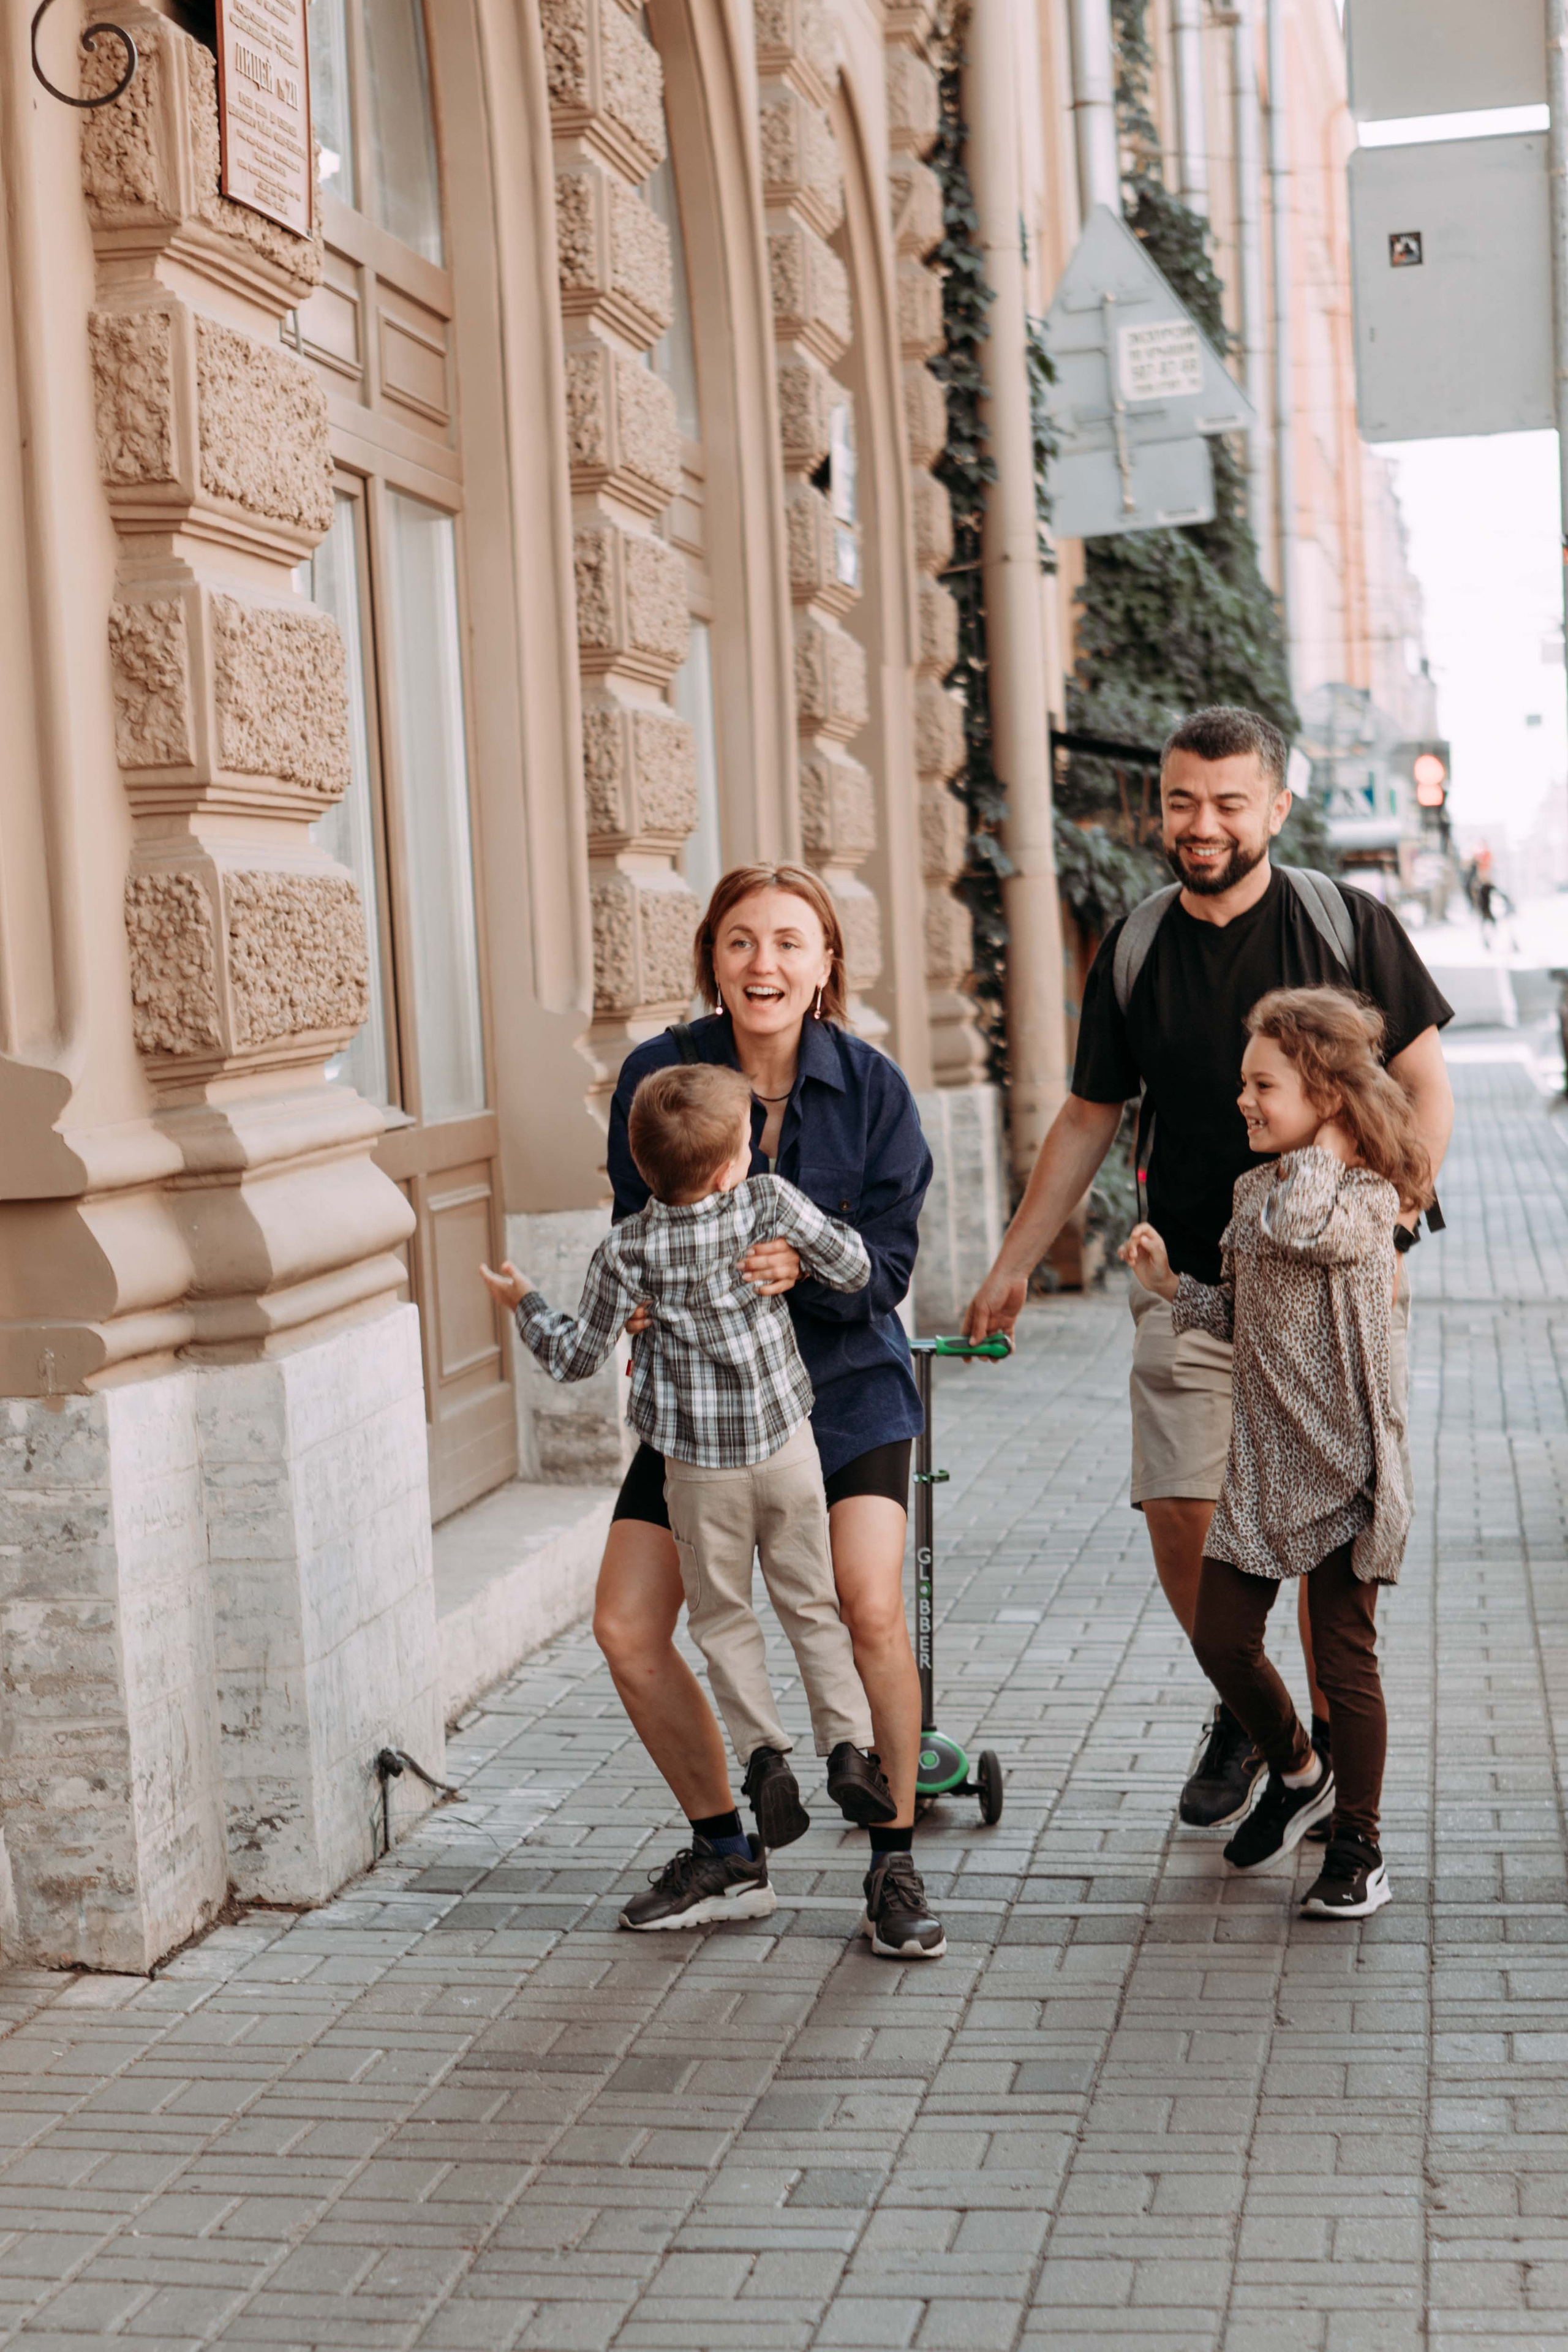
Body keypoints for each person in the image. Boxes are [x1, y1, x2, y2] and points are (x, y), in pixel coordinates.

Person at [963, 706, 1453, 1830]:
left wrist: (1394, 1221)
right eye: (1183, 800)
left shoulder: (1346, 925)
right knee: (1184, 1515)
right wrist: (1012, 1265)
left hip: (1335, 1292)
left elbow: (1426, 1081)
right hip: (1192, 1286)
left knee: (1331, 1544)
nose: (1202, 824)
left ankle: (1340, 1781)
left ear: (1276, 808)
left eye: (1231, 803)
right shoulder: (1136, 948)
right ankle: (1264, 1726)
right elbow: (1089, 1116)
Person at [590, 864, 946, 1960]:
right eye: (742, 941)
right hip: (703, 1407)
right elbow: (630, 1222)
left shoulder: (873, 1088)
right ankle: (728, 1850)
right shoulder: (658, 1074)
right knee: (626, 1625)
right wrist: (640, 1306)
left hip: (842, 1392)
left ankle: (891, 1863)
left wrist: (815, 1270)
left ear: (826, 965)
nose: (765, 964)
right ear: (714, 959)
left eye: (791, 942)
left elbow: (888, 1267)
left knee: (868, 1606)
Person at [482, 1060, 897, 1936]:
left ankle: (764, 1758)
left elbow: (574, 1356)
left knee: (721, 1620)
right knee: (812, 1605)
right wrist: (804, 1263)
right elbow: (858, 1269)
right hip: (787, 1450)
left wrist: (525, 1303)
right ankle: (850, 1747)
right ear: (730, 1166)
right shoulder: (769, 1205)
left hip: (698, 1470)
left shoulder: (626, 1250)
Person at [1123, 987, 1433, 1916]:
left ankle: (1359, 1847)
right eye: (1243, 1084)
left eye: (1264, 1085)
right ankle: (1300, 1771)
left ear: (1327, 1097)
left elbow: (1308, 1231)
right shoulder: (1255, 1190)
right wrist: (1171, 1285)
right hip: (1263, 1467)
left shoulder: (1367, 1200)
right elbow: (1243, 1314)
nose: (1244, 1101)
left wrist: (1336, 1146)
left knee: (1346, 1660)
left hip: (1346, 1468)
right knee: (1222, 1640)